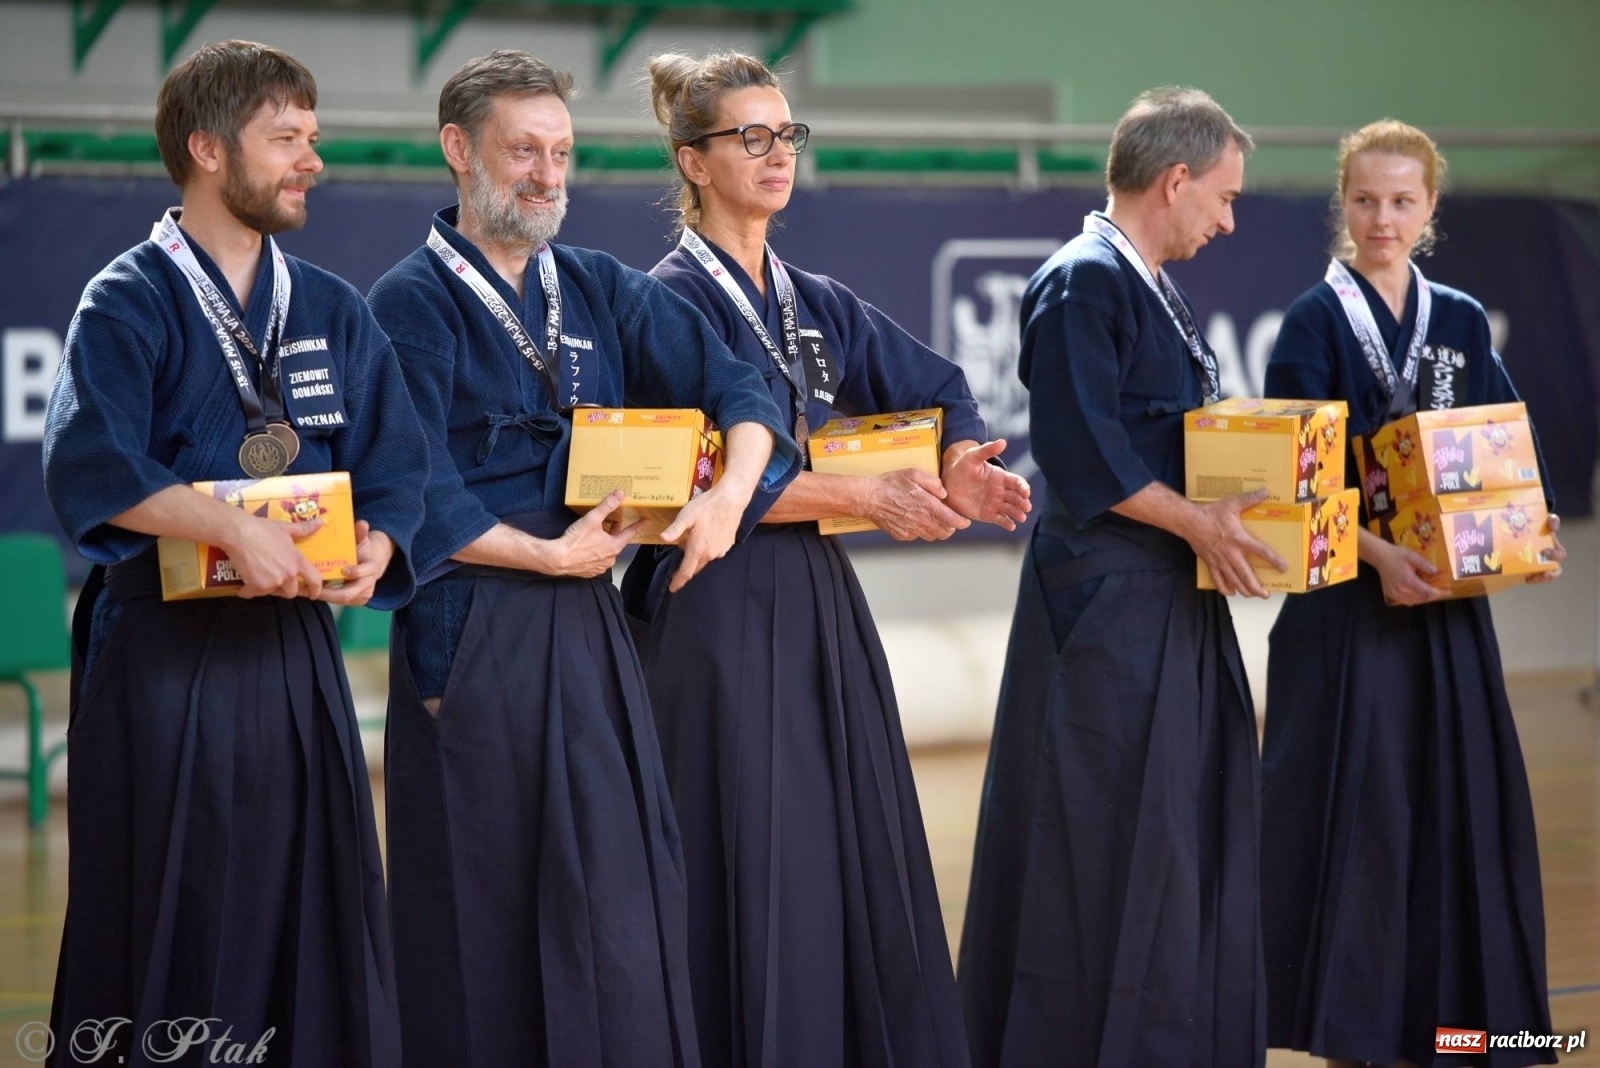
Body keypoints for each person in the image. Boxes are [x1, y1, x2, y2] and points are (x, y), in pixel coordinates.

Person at [365, 49, 798, 1068]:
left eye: (560, 153)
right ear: (458, 150)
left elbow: (743, 391)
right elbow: (416, 491)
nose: (546, 175)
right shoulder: (405, 305)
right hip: (468, 634)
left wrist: (728, 500)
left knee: (617, 896)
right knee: (484, 904)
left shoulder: (598, 286)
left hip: (592, 634)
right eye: (524, 151)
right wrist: (545, 554)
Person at [637, 51, 1030, 1068]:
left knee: (833, 856)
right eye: (750, 138)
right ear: (693, 160)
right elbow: (685, 473)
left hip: (817, 604)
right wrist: (864, 497)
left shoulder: (812, 297)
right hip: (709, 616)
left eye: (787, 136)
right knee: (740, 857)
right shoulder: (660, 304)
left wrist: (958, 462)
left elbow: (939, 383)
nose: (778, 155)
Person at [42, 40, 425, 1066]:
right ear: (208, 149)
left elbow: (398, 470)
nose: (312, 159)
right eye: (286, 138)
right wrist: (228, 527)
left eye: (312, 137)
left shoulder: (334, 309)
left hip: (297, 659)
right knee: (179, 900)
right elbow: (93, 463)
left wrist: (378, 547)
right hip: (163, 658)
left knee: (315, 895)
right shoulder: (126, 300)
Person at [958, 86, 1281, 1068]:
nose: (1227, 220)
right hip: (1106, 607)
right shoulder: (1081, 281)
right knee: (1096, 837)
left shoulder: (1145, 280)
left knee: (1176, 831)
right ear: (1173, 180)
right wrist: (1199, 523)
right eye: (1221, 197)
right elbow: (1079, 451)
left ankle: (1171, 1035)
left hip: (1164, 596)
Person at [1260, 119, 1565, 1068]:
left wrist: (1531, 529)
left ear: (1429, 209)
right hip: (1350, 613)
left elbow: (1505, 449)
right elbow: (1293, 482)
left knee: (1458, 819)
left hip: (1447, 613)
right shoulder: (1312, 322)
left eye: (1401, 202)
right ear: (1341, 206)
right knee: (1360, 827)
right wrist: (1380, 557)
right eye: (1363, 200)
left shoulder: (1463, 321)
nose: (1380, 218)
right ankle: (1354, 1037)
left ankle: (1472, 1035)